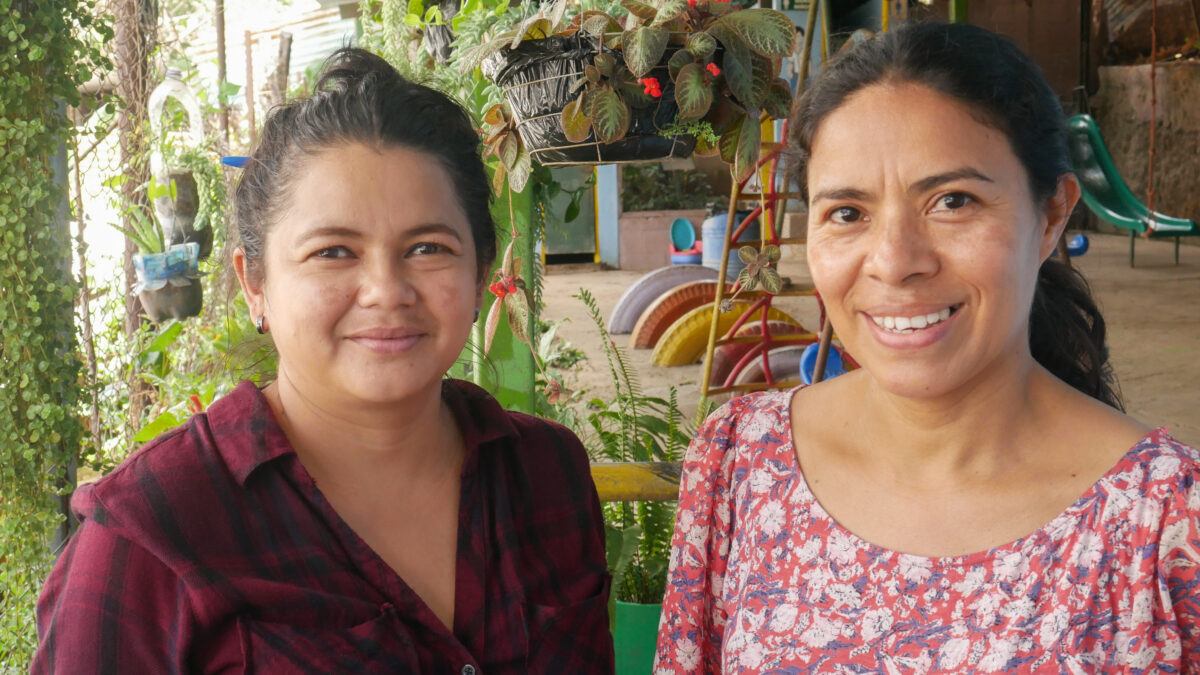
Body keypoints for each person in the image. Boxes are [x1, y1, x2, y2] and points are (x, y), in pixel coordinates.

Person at [34, 48, 613, 673]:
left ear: (479, 274)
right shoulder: (149, 538)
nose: (387, 290)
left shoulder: (546, 474)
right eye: (334, 252)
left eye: (428, 247)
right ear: (255, 283)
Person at [654, 22, 1200, 673]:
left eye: (952, 200)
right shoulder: (740, 463)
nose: (894, 261)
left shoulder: (1168, 522)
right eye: (848, 213)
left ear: (1052, 216)